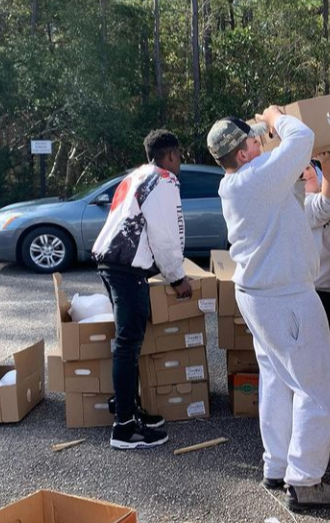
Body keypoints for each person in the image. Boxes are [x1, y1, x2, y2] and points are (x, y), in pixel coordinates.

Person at [207, 109, 330, 511]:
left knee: (277, 381)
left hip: (260, 297)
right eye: (254, 140)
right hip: (284, 299)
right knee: (319, 393)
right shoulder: (255, 178)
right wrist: (277, 117)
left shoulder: (243, 185)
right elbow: (301, 138)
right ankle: (304, 482)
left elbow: (314, 207)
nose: (260, 140)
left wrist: (318, 173)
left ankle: (277, 465)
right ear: (244, 154)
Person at [92, 129, 192, 449]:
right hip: (126, 269)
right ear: (172, 155)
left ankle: (130, 410)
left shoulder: (137, 176)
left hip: (110, 263)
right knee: (128, 345)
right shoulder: (162, 180)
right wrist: (177, 278)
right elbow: (165, 235)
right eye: (179, 157)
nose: (180, 164)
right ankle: (124, 427)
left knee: (128, 344)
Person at [301, 154, 330, 381]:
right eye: (299, 174)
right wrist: (327, 162)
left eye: (308, 167)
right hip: (319, 294)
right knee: (326, 362)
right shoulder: (303, 205)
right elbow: (328, 205)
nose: (306, 173)